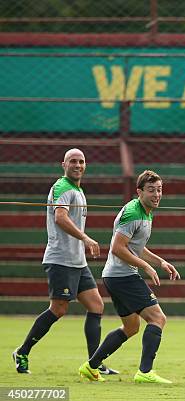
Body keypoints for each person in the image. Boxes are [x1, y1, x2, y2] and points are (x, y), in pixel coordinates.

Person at [12, 148, 118, 375]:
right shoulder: (62, 187)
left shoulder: (78, 190)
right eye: (73, 161)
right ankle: (22, 351)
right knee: (58, 309)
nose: (77, 165)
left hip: (77, 262)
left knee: (96, 306)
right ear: (64, 165)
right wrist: (86, 237)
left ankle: (93, 363)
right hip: (61, 259)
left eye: (81, 161)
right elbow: (60, 218)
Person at [78, 170, 180, 383]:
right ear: (139, 192)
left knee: (131, 327)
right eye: (151, 190)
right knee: (158, 318)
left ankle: (90, 366)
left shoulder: (145, 212)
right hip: (122, 276)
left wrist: (159, 262)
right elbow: (117, 248)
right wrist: (145, 267)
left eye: (159, 190)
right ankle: (145, 372)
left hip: (116, 276)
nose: (156, 194)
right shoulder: (134, 212)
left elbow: (136, 247)